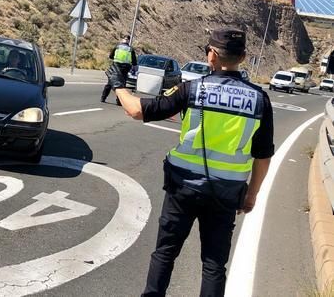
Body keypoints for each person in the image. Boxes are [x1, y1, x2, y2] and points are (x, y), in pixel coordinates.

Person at [107, 28, 274, 296]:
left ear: (211, 56)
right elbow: (263, 155)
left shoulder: (192, 90)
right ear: (242, 58)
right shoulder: (259, 99)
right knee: (214, 265)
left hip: (183, 187)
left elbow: (137, 110)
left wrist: (118, 85)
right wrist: (251, 194)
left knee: (165, 253)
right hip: (227, 193)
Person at [101, 35, 137, 105]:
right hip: (125, 69)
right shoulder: (130, 49)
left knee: (110, 83)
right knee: (121, 86)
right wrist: (134, 68)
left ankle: (103, 98)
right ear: (129, 41)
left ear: (122, 39)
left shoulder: (117, 46)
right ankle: (119, 101)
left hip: (115, 67)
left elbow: (111, 56)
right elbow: (134, 62)